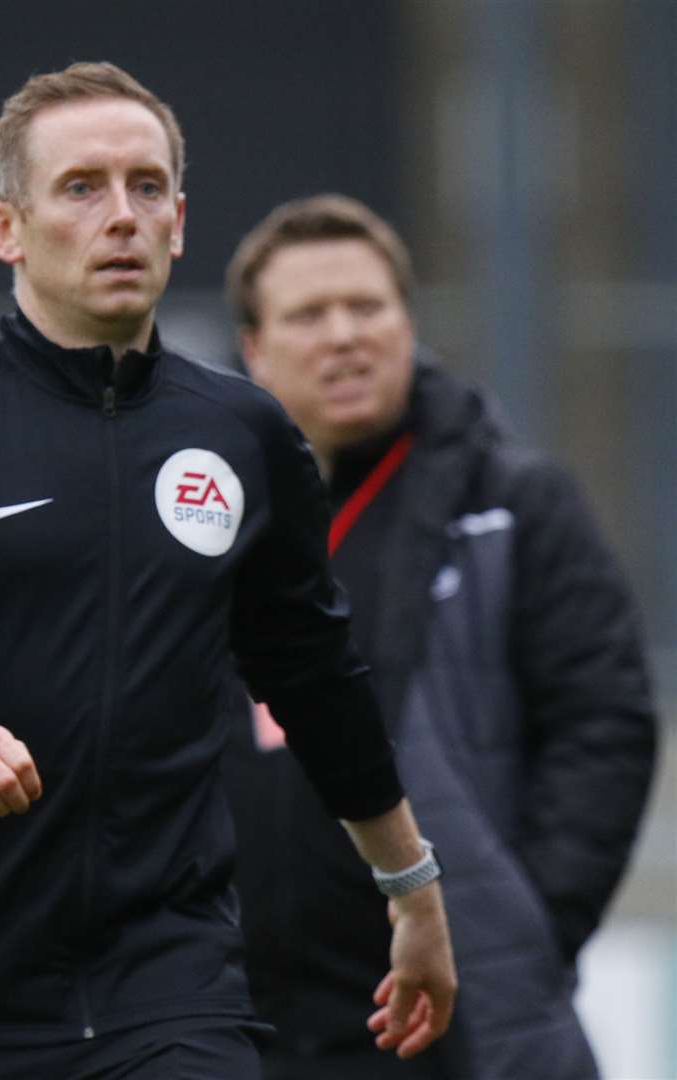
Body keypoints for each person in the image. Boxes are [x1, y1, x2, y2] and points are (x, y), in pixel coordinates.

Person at [0, 61, 460, 1079]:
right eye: (81, 188)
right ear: (3, 227)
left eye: (146, 188)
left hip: (170, 992)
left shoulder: (240, 432)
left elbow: (313, 677)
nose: (121, 216)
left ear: (179, 222)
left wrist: (411, 887)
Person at [222, 193, 659, 1080]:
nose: (345, 334)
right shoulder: (209, 521)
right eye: (310, 314)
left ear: (408, 324)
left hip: (454, 1017)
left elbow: (604, 723)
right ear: (255, 350)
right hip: (246, 1021)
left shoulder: (511, 505)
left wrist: (525, 929)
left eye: (369, 307)